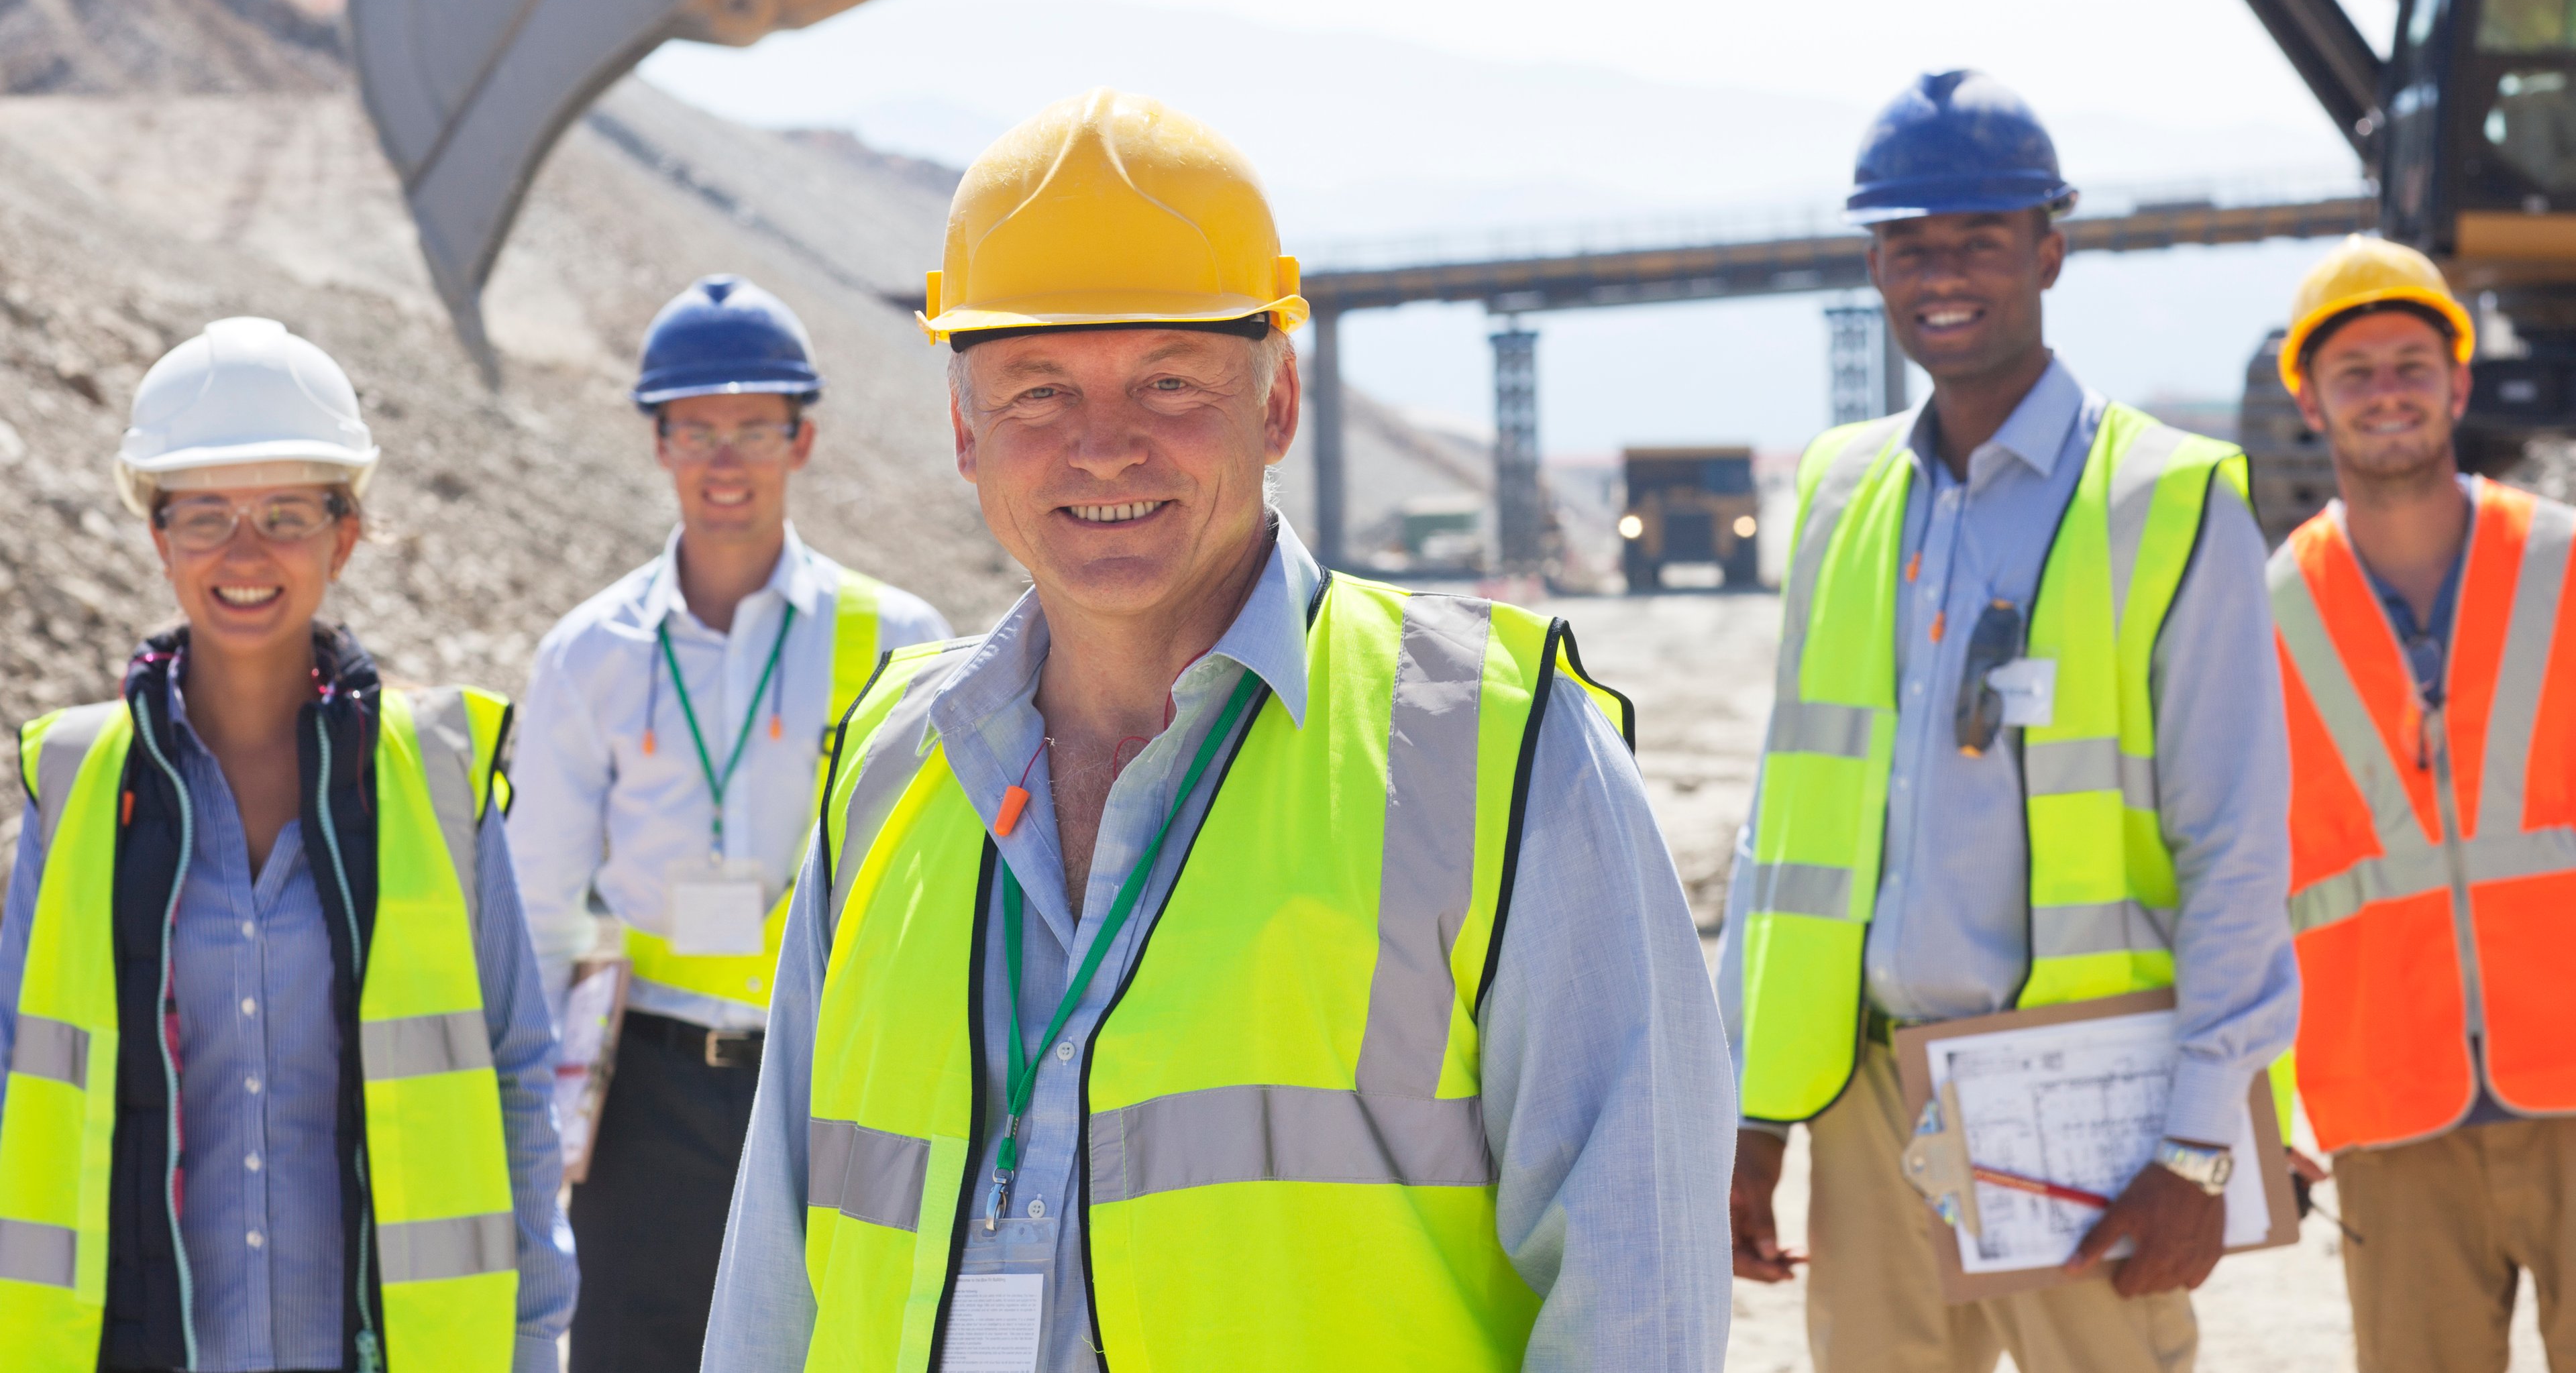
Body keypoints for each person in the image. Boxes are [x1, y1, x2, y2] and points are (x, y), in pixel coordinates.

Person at [699, 87, 1732, 1370]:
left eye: (1170, 379)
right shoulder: (890, 766)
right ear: (966, 433)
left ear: (1278, 402)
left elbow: (1638, 1290)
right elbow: (773, 1272)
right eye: (1036, 393)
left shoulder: (1499, 750)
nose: (1103, 447)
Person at [1718, 71, 2300, 1372]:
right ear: (1874, 262)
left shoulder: (2167, 498)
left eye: (1980, 239)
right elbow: (1784, 821)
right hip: (1864, 1103)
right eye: (1910, 243)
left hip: (2084, 1094)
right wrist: (1749, 1108)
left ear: (2051, 248)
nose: (1943, 272)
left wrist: (2199, 1141)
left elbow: (2237, 845)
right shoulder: (1839, 489)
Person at [0, 316, 572, 1372]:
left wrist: (534, 1345)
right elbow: (16, 1090)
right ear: (158, 535)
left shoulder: (436, 780)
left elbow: (514, 1083)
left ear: (343, 535)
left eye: (284, 514)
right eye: (206, 515)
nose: (245, 552)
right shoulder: (77, 787)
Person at [506, 274, 950, 1373]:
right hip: (643, 1092)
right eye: (696, 430)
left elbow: (933, 901)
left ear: (801, 440)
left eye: (754, 428)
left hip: (828, 1080)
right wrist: (535, 1124)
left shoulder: (900, 638)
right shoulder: (591, 653)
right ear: (658, 443)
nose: (725, 460)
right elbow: (538, 912)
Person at [2268, 238, 2576, 1371]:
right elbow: (2243, 882)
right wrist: (2264, 1102)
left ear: (2458, 381)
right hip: (2386, 1113)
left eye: (2411, 362)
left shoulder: (2565, 563)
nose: (2387, 391)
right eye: (2356, 371)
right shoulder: (2269, 619)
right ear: (2309, 397)